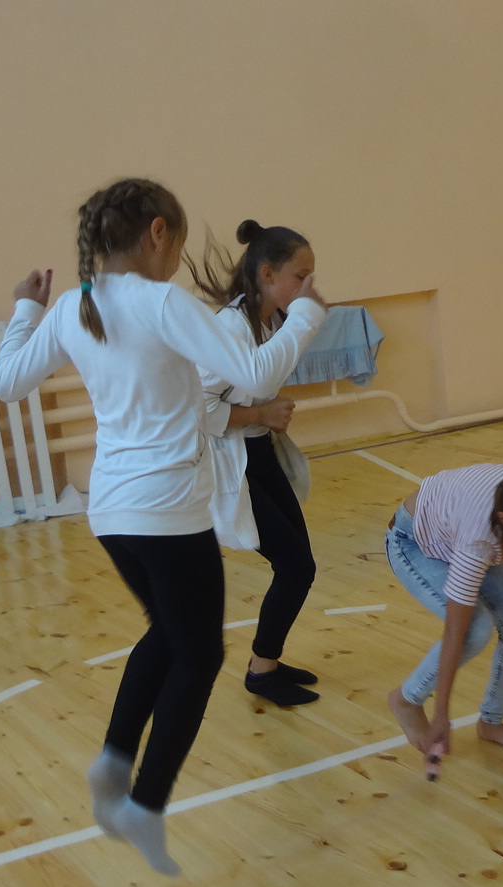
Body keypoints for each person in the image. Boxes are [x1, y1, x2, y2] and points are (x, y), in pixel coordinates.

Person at [0, 179, 325, 875]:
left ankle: (114, 763)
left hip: (111, 510)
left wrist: (25, 307)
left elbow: (6, 382)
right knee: (198, 656)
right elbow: (253, 367)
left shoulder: (74, 304)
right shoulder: (162, 302)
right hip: (167, 509)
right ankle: (143, 804)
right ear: (158, 233)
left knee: (169, 635)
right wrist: (306, 317)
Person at [187, 221, 323, 708]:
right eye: (300, 276)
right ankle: (261, 671)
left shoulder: (267, 320)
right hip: (233, 463)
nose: (308, 286)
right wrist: (260, 414)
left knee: (299, 563)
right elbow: (197, 409)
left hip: (259, 455)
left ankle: (266, 663)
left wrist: (263, 416)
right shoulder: (229, 327)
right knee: (295, 566)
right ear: (267, 274)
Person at [384, 442, 503, 779]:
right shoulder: (478, 541)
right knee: (475, 629)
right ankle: (407, 700)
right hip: (415, 543)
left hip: (457, 531)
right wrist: (441, 714)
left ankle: (491, 722)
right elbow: (455, 631)